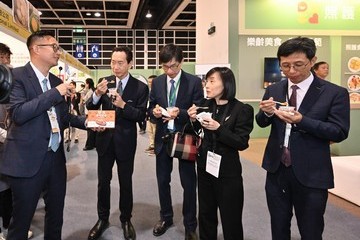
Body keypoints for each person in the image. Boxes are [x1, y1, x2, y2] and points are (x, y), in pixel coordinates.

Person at [255, 37, 350, 240]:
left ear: (312, 61)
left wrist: (302, 120)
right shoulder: (274, 89)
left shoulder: (334, 93)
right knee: (278, 227)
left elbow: (339, 131)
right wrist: (268, 113)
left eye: (298, 65)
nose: (291, 71)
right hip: (277, 169)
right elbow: (262, 122)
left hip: (312, 172)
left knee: (311, 229)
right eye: (285, 66)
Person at [0, 31, 88, 240]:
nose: (58, 51)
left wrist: (90, 122)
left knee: (55, 217)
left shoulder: (56, 80)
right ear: (36, 49)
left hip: (55, 159)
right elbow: (19, 113)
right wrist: (56, 92)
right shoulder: (17, 76)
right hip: (27, 160)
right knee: (21, 222)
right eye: (54, 47)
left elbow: (63, 117)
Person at [86, 46, 148, 240]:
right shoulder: (104, 82)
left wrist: (123, 105)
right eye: (113, 62)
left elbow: (140, 116)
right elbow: (90, 107)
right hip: (104, 140)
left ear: (130, 63)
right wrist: (96, 93)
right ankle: (102, 218)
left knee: (125, 183)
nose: (116, 66)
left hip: (126, 142)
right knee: (103, 183)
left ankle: (126, 219)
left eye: (120, 62)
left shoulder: (140, 87)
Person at [187, 67, 254, 240]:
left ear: (226, 83)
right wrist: (193, 120)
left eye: (212, 81)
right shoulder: (204, 105)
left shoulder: (242, 109)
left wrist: (219, 129)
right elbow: (194, 133)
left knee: (230, 219)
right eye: (206, 81)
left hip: (227, 173)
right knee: (206, 215)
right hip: (204, 169)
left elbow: (241, 142)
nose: (207, 85)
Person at [148, 44, 203, 240]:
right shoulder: (158, 82)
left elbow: (198, 111)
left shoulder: (194, 82)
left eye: (173, 66)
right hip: (163, 138)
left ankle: (190, 225)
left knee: (189, 183)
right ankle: (166, 217)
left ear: (181, 62)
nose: (169, 71)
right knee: (163, 181)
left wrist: (178, 113)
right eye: (165, 67)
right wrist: (154, 113)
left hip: (185, 138)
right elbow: (150, 108)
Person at [0, 42, 33, 240]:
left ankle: (8, 223)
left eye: (7, 59)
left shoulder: (10, 81)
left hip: (8, 146)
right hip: (6, 139)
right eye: (3, 58)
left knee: (6, 187)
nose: (6, 63)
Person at [144, 74, 157, 155]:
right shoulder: (148, 91)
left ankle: (156, 148)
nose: (150, 84)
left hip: (156, 117)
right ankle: (152, 145)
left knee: (156, 133)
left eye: (151, 82)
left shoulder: (159, 92)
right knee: (150, 132)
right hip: (149, 116)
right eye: (149, 82)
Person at [83, 78, 96, 151]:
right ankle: (93, 144)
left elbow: (85, 100)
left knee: (90, 129)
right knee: (93, 129)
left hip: (89, 112)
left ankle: (89, 145)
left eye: (86, 83)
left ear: (88, 84)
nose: (85, 85)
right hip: (93, 112)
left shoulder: (90, 92)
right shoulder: (93, 91)